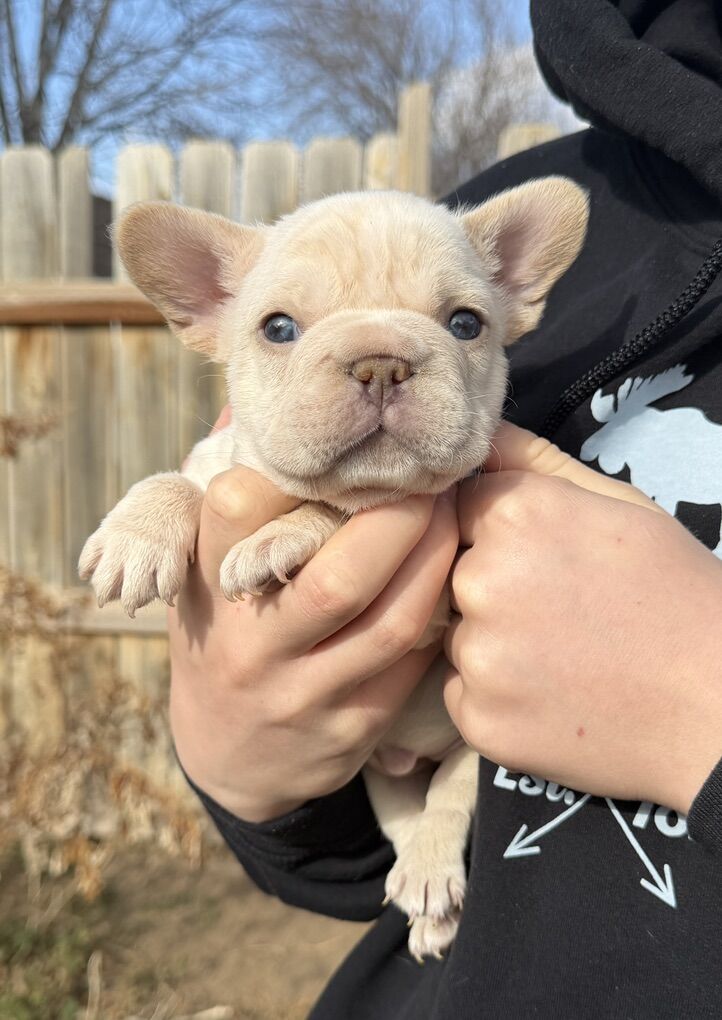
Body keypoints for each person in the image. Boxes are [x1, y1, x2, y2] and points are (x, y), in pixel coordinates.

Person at [168, 1, 722, 1015]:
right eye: (290, 327)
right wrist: (250, 776)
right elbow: (326, 865)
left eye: (457, 321)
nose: (380, 365)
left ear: (510, 288)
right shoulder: (474, 214)